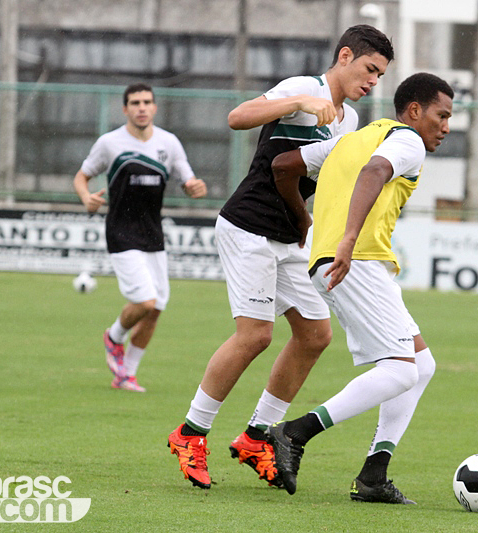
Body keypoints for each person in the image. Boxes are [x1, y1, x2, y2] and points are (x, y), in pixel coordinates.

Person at [167, 25, 394, 490]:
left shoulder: (348, 120)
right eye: (370, 69)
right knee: (255, 336)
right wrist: (297, 103)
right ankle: (190, 433)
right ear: (345, 55)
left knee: (314, 336)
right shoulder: (303, 88)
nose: (373, 81)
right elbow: (237, 117)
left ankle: (255, 437)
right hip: (248, 226)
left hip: (289, 237)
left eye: (380, 75)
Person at [266, 72, 453, 503]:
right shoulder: (405, 141)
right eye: (441, 115)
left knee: (421, 366)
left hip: (338, 260)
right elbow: (376, 170)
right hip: (355, 261)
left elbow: (283, 166)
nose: (445, 126)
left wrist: (303, 218)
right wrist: (348, 237)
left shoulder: (353, 138)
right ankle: (294, 433)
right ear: (413, 110)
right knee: (401, 370)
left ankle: (374, 474)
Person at [74, 82, 207, 392]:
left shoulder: (169, 143)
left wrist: (194, 187)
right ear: (125, 109)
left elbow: (187, 177)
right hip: (121, 231)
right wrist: (85, 197)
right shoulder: (109, 143)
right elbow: (82, 176)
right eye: (135, 102)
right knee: (145, 301)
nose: (142, 107)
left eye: (147, 101)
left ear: (155, 107)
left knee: (157, 307)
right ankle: (114, 337)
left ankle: (126, 374)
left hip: (153, 233)